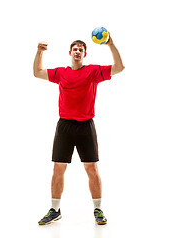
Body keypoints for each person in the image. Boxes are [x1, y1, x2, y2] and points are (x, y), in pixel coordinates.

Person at [33, 35, 124, 225]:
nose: (77, 51)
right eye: (74, 49)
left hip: (85, 126)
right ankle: (55, 209)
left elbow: (119, 67)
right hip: (65, 125)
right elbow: (37, 72)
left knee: (91, 169)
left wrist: (111, 44)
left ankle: (98, 209)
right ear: (70, 53)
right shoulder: (61, 73)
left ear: (84, 54)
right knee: (58, 168)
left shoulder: (93, 72)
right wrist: (39, 52)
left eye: (80, 49)